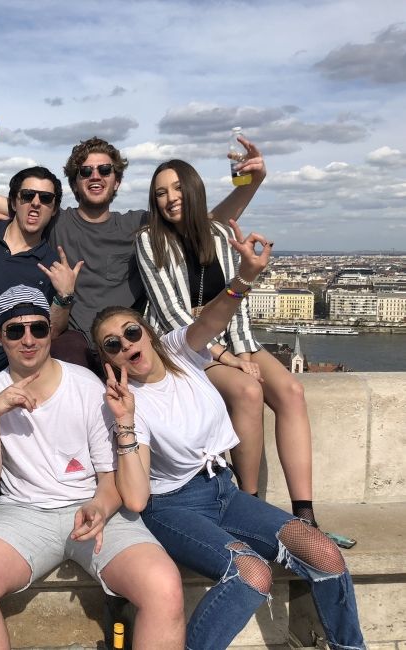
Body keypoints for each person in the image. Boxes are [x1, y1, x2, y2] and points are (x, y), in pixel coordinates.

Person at [91, 222, 364, 649]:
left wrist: (245, 275)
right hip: (172, 506)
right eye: (112, 345)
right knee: (250, 572)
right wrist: (124, 420)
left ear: (147, 333)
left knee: (324, 553)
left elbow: (216, 314)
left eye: (131, 332)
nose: (126, 345)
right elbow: (139, 499)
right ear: (107, 359)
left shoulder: (181, 350)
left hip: (225, 490)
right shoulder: (130, 403)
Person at [0, 285, 185, 650]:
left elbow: (109, 479)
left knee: (163, 584)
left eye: (38, 328)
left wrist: (99, 508)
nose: (28, 339)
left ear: (50, 331)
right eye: (15, 330)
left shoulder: (85, 386)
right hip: (23, 513)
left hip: (93, 505)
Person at [0, 116, 266, 365]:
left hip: (124, 343)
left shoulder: (139, 225)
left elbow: (206, 222)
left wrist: (252, 184)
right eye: (85, 171)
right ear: (74, 183)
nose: (95, 176)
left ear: (117, 180)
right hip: (75, 344)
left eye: (105, 170)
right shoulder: (55, 217)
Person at [135, 159, 317, 524]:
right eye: (161, 193)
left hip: (225, 335)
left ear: (194, 189)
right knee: (248, 391)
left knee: (291, 391)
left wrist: (245, 349)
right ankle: (246, 505)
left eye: (177, 188)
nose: (171, 198)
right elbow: (173, 315)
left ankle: (305, 512)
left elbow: (236, 300)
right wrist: (227, 358)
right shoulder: (149, 241)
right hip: (183, 344)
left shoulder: (219, 235)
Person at [0, 158, 83, 392]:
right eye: (27, 195)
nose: (36, 203)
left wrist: (64, 296)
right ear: (13, 201)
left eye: (46, 199)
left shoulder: (52, 264)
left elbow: (54, 329)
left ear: (53, 210)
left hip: (17, 355)